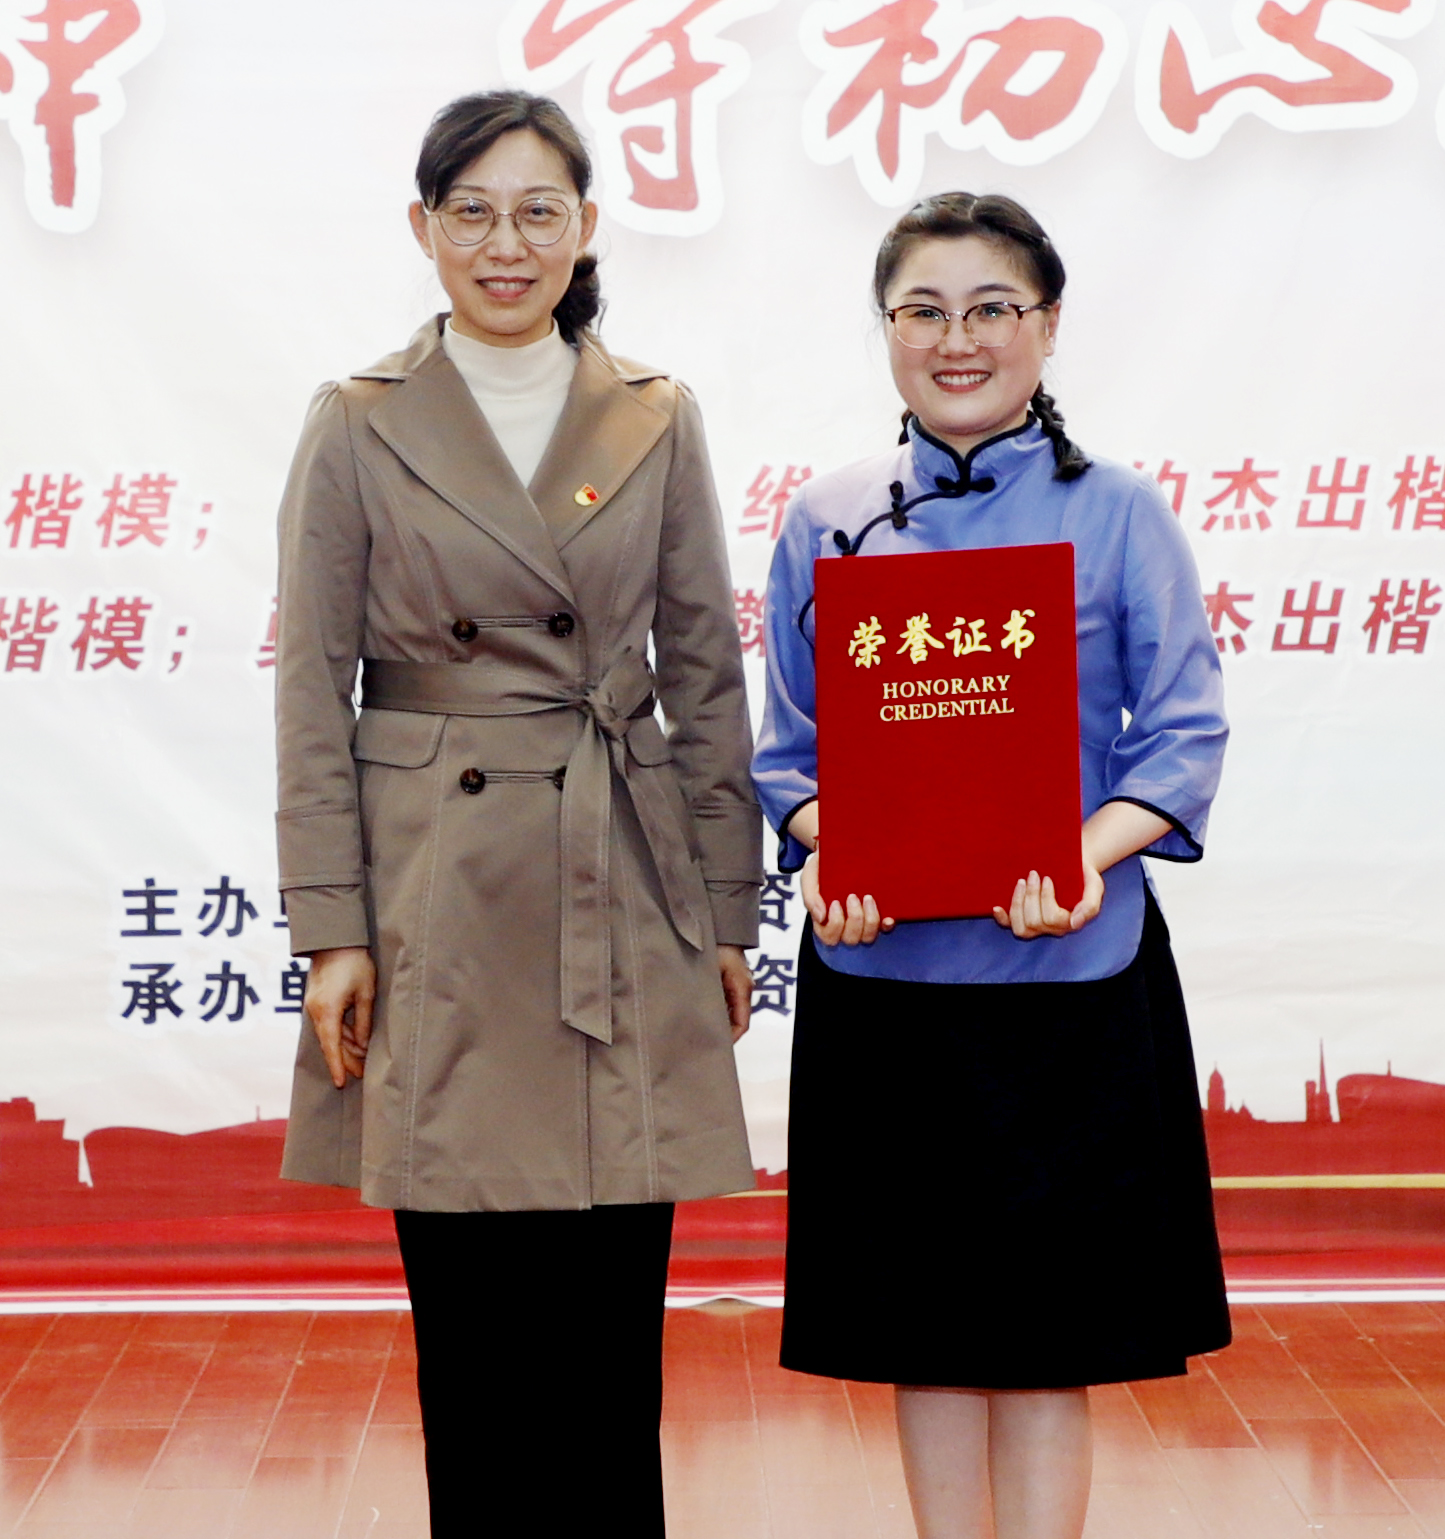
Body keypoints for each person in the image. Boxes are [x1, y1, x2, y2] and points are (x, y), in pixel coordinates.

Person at [273, 89, 761, 1537]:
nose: (507, 243)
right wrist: (332, 929)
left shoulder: (653, 414)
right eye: (473, 212)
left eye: (539, 211)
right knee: (475, 1337)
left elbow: (705, 675)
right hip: (438, 887)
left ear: (586, 227)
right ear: (423, 230)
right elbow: (311, 688)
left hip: (622, 869)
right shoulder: (360, 421)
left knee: (611, 1334)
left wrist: (728, 911)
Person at [752, 193, 1231, 1539]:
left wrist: (1079, 856)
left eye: (990, 309)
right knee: (926, 1330)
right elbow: (788, 755)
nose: (956, 340)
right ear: (887, 330)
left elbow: (1183, 735)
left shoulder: (1117, 511)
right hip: (886, 979)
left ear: (1048, 325)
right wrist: (833, 851)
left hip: (1069, 975)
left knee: (1044, 1338)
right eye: (923, 311)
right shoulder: (828, 518)